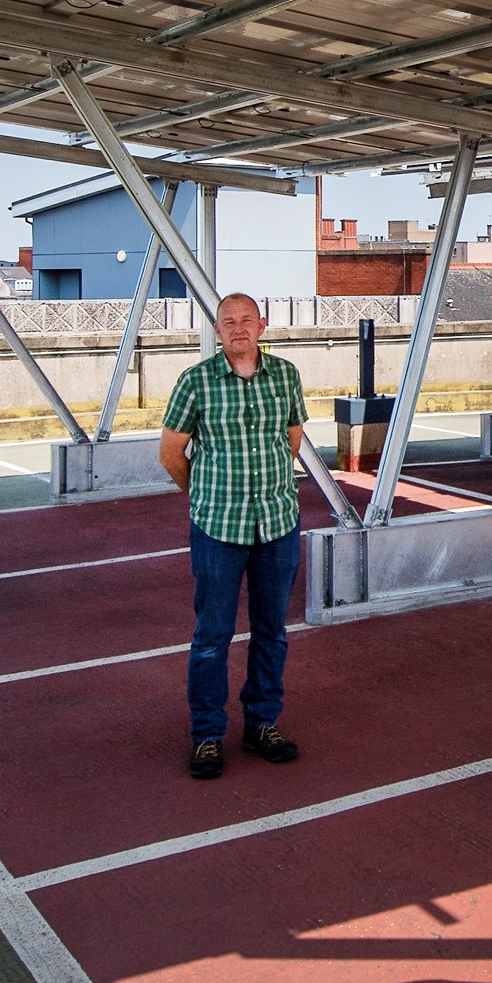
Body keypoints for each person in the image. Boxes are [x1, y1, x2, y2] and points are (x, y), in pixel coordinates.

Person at [162, 291, 312, 782]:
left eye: (247, 319)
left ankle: (261, 724)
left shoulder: (286, 376)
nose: (238, 327)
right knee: (212, 636)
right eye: (229, 321)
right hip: (218, 528)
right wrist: (203, 494)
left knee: (272, 632)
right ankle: (207, 734)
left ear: (262, 326)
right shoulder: (196, 382)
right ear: (218, 330)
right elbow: (171, 452)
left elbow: (291, 437)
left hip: (276, 524)